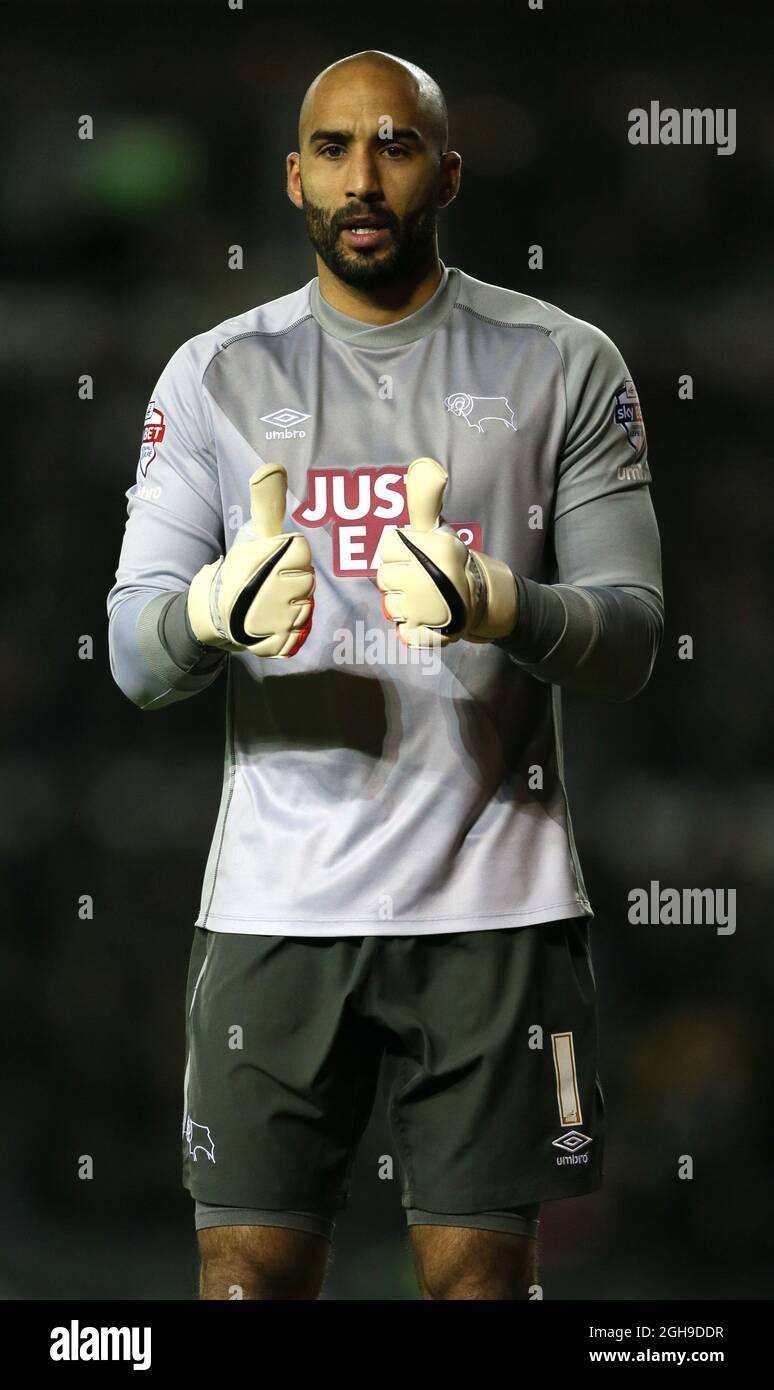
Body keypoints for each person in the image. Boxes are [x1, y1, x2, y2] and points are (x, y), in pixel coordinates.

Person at [107, 48, 663, 1300]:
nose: (365, 177)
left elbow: (634, 635)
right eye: (336, 148)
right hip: (274, 910)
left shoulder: (567, 362)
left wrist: (494, 599)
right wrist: (210, 610)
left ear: (447, 173)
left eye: (397, 146)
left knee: (477, 1286)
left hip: (494, 912)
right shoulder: (212, 376)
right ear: (294, 174)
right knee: (246, 1276)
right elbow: (135, 650)